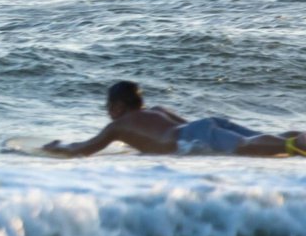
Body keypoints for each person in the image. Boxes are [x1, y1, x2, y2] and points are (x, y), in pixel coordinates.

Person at [44, 80, 306, 157]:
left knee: (246, 147)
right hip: (202, 125)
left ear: (118, 106)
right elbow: (187, 124)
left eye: (108, 106)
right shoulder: (157, 110)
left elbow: (85, 149)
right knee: (256, 137)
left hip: (191, 134)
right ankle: (296, 139)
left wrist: (59, 147)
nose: (107, 111)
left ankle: (294, 147)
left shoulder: (118, 126)